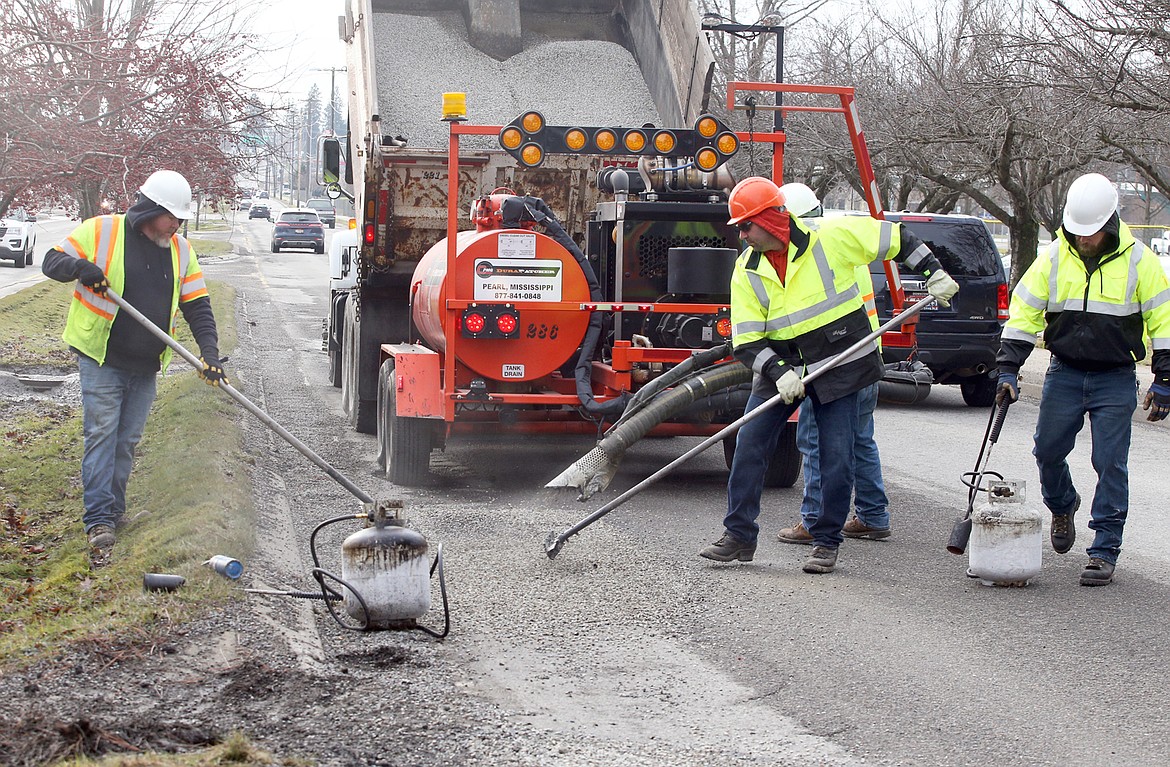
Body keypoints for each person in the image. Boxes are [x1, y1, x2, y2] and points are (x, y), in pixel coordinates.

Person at [700, 177, 958, 573]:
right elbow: (746, 340)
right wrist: (779, 372)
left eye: (746, 225)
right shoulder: (746, 269)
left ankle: (826, 542)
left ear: (771, 218)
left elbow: (896, 238)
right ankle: (738, 535)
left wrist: (933, 271)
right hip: (781, 364)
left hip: (840, 359)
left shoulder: (832, 236)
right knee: (750, 445)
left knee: (836, 454)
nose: (743, 235)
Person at [995, 172, 1170, 586]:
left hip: (1115, 376)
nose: (1083, 241)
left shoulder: (1141, 262)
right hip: (1065, 371)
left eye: (1089, 234)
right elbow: (1024, 314)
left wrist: (1164, 379)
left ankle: (1104, 549)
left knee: (1109, 462)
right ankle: (1063, 503)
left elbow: (1164, 321)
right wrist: (1007, 367)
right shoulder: (1054, 257)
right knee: (1047, 451)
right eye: (1077, 233)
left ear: (1109, 224)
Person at [42, 170, 228, 551]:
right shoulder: (101, 231)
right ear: (149, 209)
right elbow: (51, 261)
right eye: (171, 217)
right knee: (102, 436)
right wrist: (81, 268)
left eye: (180, 220)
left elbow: (198, 306)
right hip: (102, 356)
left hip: (146, 364)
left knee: (126, 441)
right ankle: (97, 520)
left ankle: (115, 512)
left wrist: (209, 353)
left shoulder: (180, 250)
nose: (175, 226)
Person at [770, 183, 891, 545]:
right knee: (858, 440)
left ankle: (815, 520)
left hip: (833, 365)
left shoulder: (812, 252)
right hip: (868, 358)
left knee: (815, 439)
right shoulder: (840, 242)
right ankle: (872, 514)